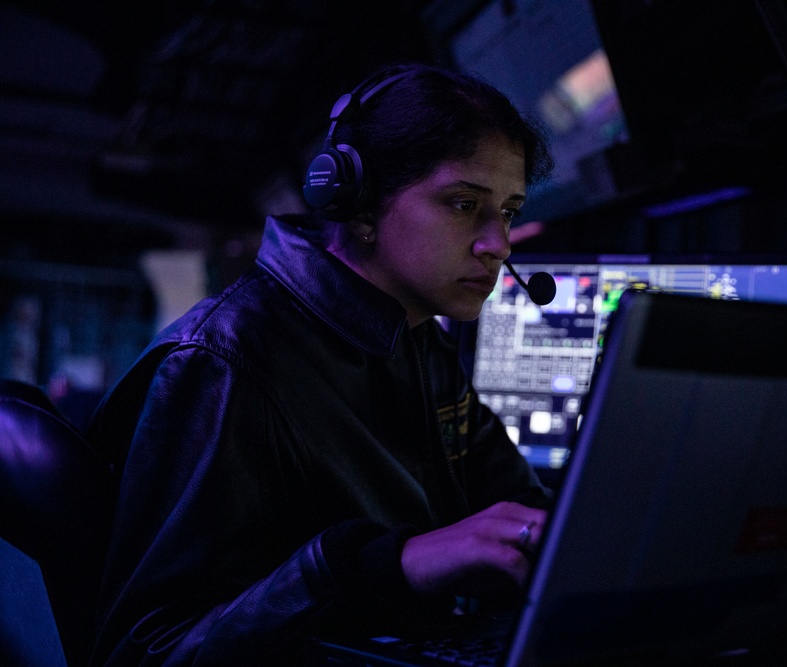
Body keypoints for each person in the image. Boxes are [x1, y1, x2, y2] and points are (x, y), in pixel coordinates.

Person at [86, 61, 555, 665]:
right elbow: (143, 651)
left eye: (509, 211)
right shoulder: (225, 361)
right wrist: (369, 566)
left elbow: (514, 506)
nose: (499, 244)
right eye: (465, 204)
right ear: (358, 205)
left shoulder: (417, 340)